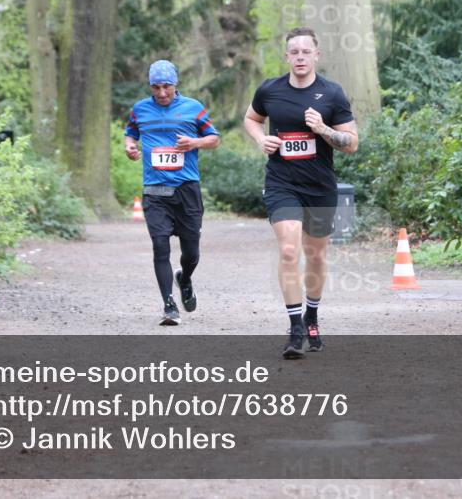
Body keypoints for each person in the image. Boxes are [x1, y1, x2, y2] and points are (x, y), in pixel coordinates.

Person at [243, 27, 359, 358]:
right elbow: (251, 119)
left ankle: (312, 316)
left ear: (316, 55)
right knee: (290, 251)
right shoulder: (270, 90)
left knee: (317, 255)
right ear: (287, 56)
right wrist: (260, 138)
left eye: (305, 52)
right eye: (294, 52)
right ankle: (295, 329)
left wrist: (322, 129)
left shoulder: (332, 94)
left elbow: (352, 144)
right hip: (282, 183)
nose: (299, 57)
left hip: (320, 186)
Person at [125, 60, 220, 325]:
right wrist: (130, 147)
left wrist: (195, 142)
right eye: (156, 87)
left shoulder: (193, 108)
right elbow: (130, 134)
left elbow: (214, 138)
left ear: (175, 84)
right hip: (155, 190)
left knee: (191, 253)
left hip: (187, 189)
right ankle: (169, 305)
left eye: (166, 86)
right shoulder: (140, 110)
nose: (162, 92)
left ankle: (185, 278)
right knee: (159, 246)